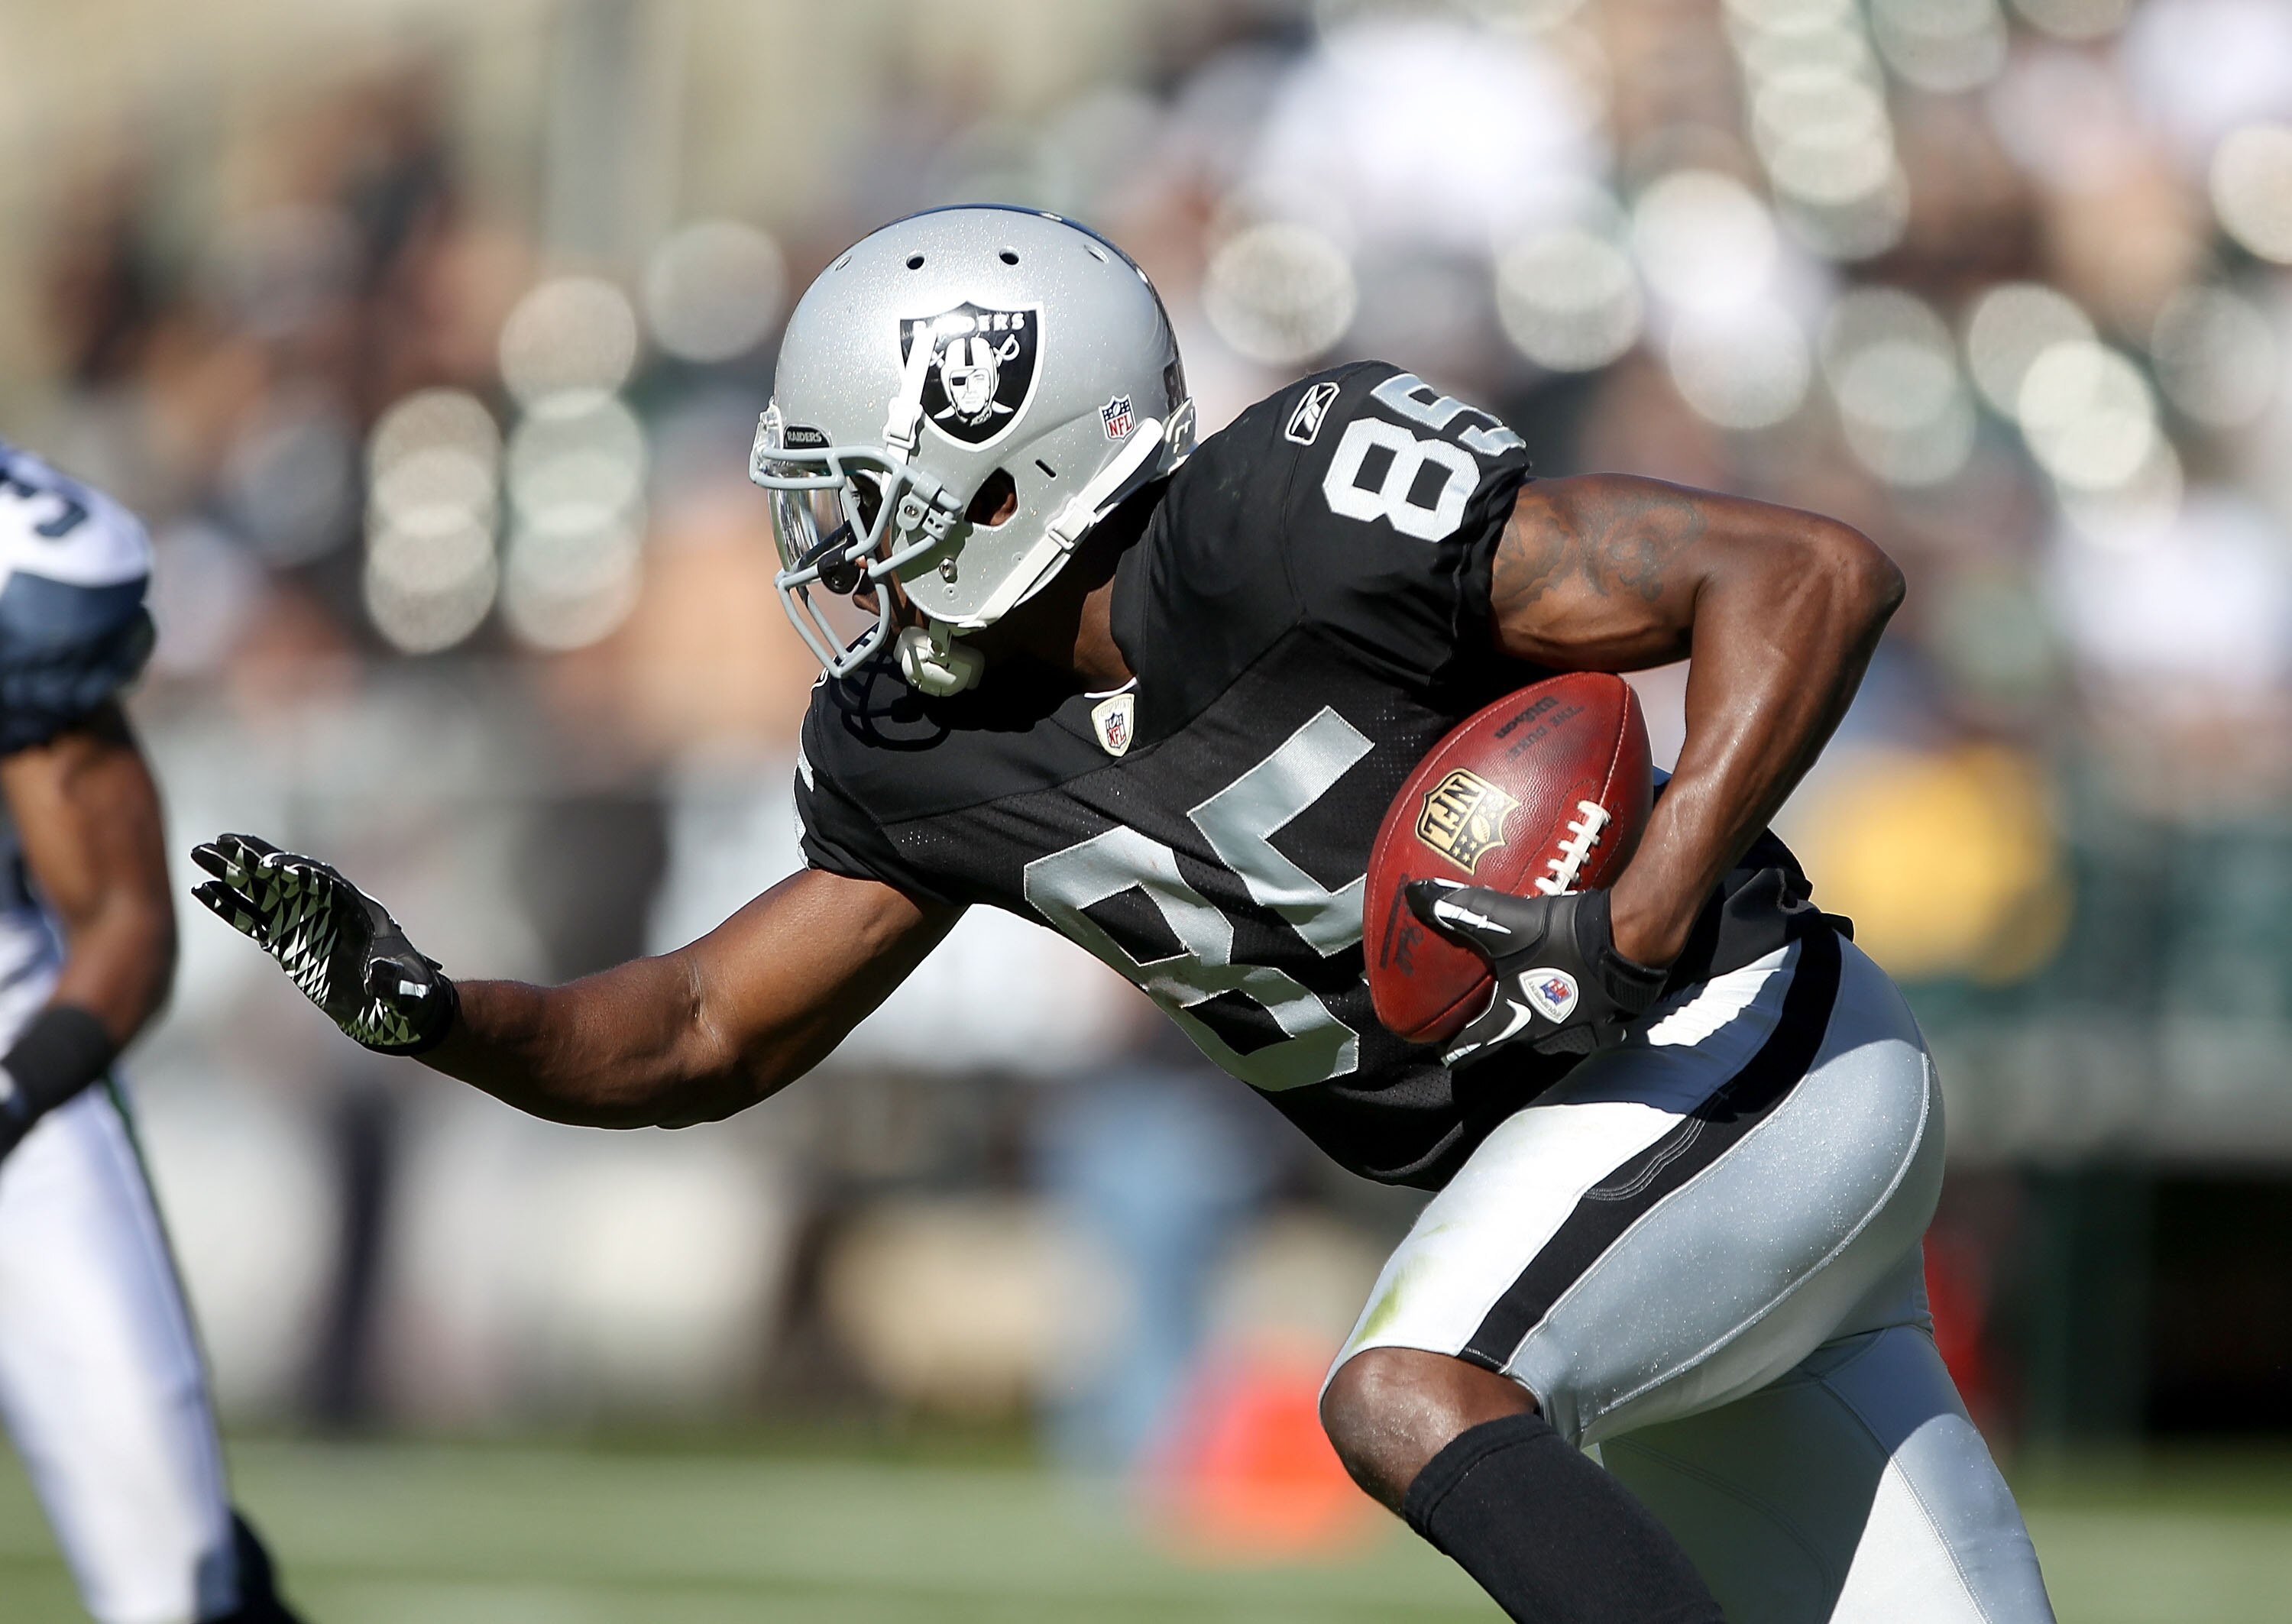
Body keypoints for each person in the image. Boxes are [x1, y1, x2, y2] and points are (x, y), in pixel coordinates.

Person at [194, 205, 2054, 1624]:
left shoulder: (1284, 518)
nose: (834, 546)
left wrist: (1644, 903)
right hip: (1641, 1159)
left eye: (865, 490)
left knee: (1414, 1386)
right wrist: (441, 1013)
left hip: (1738, 1050)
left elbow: (1804, 575)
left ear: (1006, 458)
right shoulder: (923, 747)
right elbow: (692, 1032)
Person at [0, 443, 303, 1623]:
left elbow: (126, 918)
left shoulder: (22, 571)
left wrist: (19, 1095)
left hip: (14, 1111)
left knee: (179, 1586)